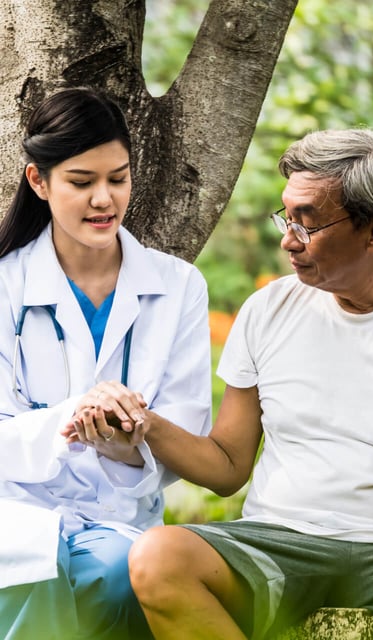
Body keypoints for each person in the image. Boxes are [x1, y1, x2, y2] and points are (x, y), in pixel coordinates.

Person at [127, 127, 373, 640]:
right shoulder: (268, 310)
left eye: (306, 224)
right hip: (282, 539)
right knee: (157, 557)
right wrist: (145, 425)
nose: (287, 239)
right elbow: (228, 466)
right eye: (286, 217)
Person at [0, 86, 211, 640]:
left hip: (117, 512)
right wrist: (77, 416)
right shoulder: (4, 283)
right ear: (38, 182)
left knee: (120, 573)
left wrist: (124, 447)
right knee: (32, 567)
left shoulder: (178, 286)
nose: (104, 199)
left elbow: (186, 427)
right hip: (13, 510)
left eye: (118, 179)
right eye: (81, 181)